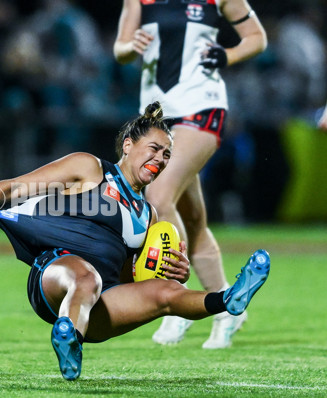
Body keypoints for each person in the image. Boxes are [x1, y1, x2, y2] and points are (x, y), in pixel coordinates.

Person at [0, 102, 270, 381]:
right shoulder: (90, 168)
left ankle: (228, 300)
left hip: (101, 304)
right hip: (55, 275)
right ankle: (68, 334)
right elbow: (17, 187)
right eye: (154, 149)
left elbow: (133, 277)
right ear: (128, 145)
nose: (161, 159)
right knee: (85, 275)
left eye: (167, 155)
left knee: (168, 294)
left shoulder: (150, 216)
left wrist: (170, 271)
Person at [113, 0, 268, 348]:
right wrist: (129, 47)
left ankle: (175, 300)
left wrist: (227, 56)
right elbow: (121, 49)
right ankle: (230, 307)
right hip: (158, 116)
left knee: (158, 196)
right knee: (192, 221)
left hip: (201, 106)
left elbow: (256, 38)